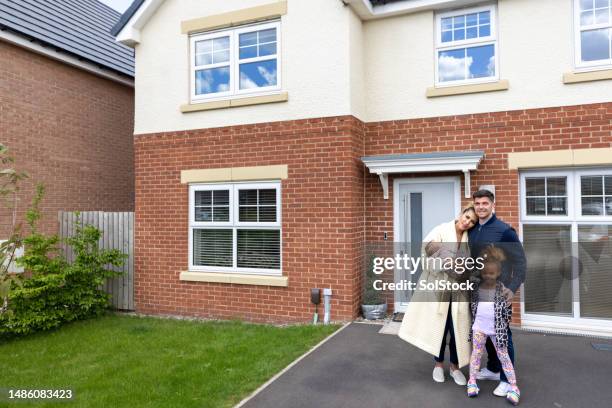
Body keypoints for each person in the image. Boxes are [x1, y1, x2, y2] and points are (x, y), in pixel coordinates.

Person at [398, 204, 478, 385]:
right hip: (438, 287)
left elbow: (471, 263)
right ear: (461, 214)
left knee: (457, 328)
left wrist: (463, 268)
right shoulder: (441, 229)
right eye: (467, 217)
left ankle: (455, 368)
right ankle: (438, 365)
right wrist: (446, 259)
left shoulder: (469, 238)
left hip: (458, 290)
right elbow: (427, 248)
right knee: (439, 328)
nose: (468, 223)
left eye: (472, 222)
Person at [468, 189, 526, 397]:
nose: (481, 207)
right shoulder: (473, 230)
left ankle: (505, 379)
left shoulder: (504, 231)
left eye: (485, 203)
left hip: (499, 293)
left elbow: (521, 262)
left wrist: (512, 287)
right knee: (484, 330)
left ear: (493, 205)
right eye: (477, 204)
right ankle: (493, 368)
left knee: (503, 337)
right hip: (478, 292)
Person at [467, 245, 520, 405]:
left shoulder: (502, 290)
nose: (488, 276)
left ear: (498, 273)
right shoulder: (476, 287)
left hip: (498, 330)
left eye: (491, 273)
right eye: (485, 273)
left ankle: (513, 386)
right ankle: (472, 381)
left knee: (504, 357)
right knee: (476, 355)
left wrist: (503, 326)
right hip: (479, 328)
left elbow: (507, 311)